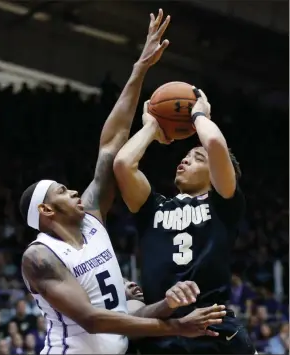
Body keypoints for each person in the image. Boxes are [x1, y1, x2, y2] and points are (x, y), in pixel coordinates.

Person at [19, 12, 226, 355]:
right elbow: (92, 320)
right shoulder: (40, 257)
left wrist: (140, 68)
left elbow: (110, 146)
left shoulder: (92, 220)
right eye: (61, 191)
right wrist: (175, 326)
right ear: (46, 210)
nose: (73, 191)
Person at [114, 88, 257, 354]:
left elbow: (214, 144)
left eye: (197, 158)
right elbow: (123, 163)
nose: (186, 159)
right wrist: (152, 127)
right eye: (186, 156)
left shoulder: (223, 204)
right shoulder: (153, 207)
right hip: (161, 326)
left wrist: (199, 114)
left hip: (212, 327)